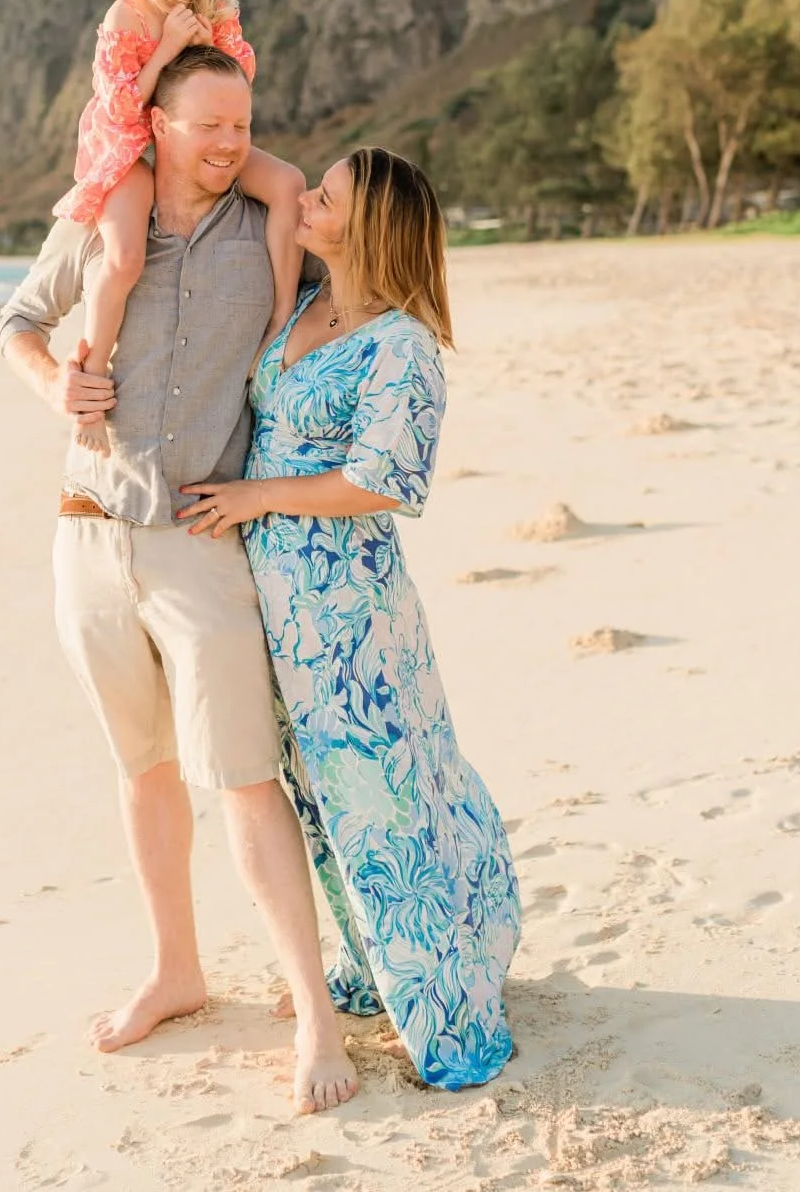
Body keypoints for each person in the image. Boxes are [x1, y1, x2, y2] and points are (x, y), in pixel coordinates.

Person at [0, 45, 357, 1114]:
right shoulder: (103, 220)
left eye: (241, 121)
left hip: (203, 540)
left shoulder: (274, 228)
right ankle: (177, 969)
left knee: (243, 775)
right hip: (89, 530)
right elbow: (15, 321)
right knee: (143, 764)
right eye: (208, 124)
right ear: (155, 125)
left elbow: (353, 283)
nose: (230, 140)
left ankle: (315, 1014)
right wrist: (50, 378)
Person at [179, 148, 521, 1090]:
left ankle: (449, 1014)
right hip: (275, 604)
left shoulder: (402, 344)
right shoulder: (301, 305)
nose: (309, 201)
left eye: (328, 198)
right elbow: (264, 171)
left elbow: (384, 480)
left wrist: (254, 497)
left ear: (366, 227)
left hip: (351, 613)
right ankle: (378, 967)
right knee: (322, 797)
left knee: (389, 799)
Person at [51, 0, 305, 456]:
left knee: (287, 183)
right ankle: (91, 390)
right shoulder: (126, 15)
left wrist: (206, 39)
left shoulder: (218, 9)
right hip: (131, 144)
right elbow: (121, 108)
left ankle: (280, 322)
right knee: (124, 258)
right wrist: (165, 48)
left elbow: (234, 79)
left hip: (193, 141)